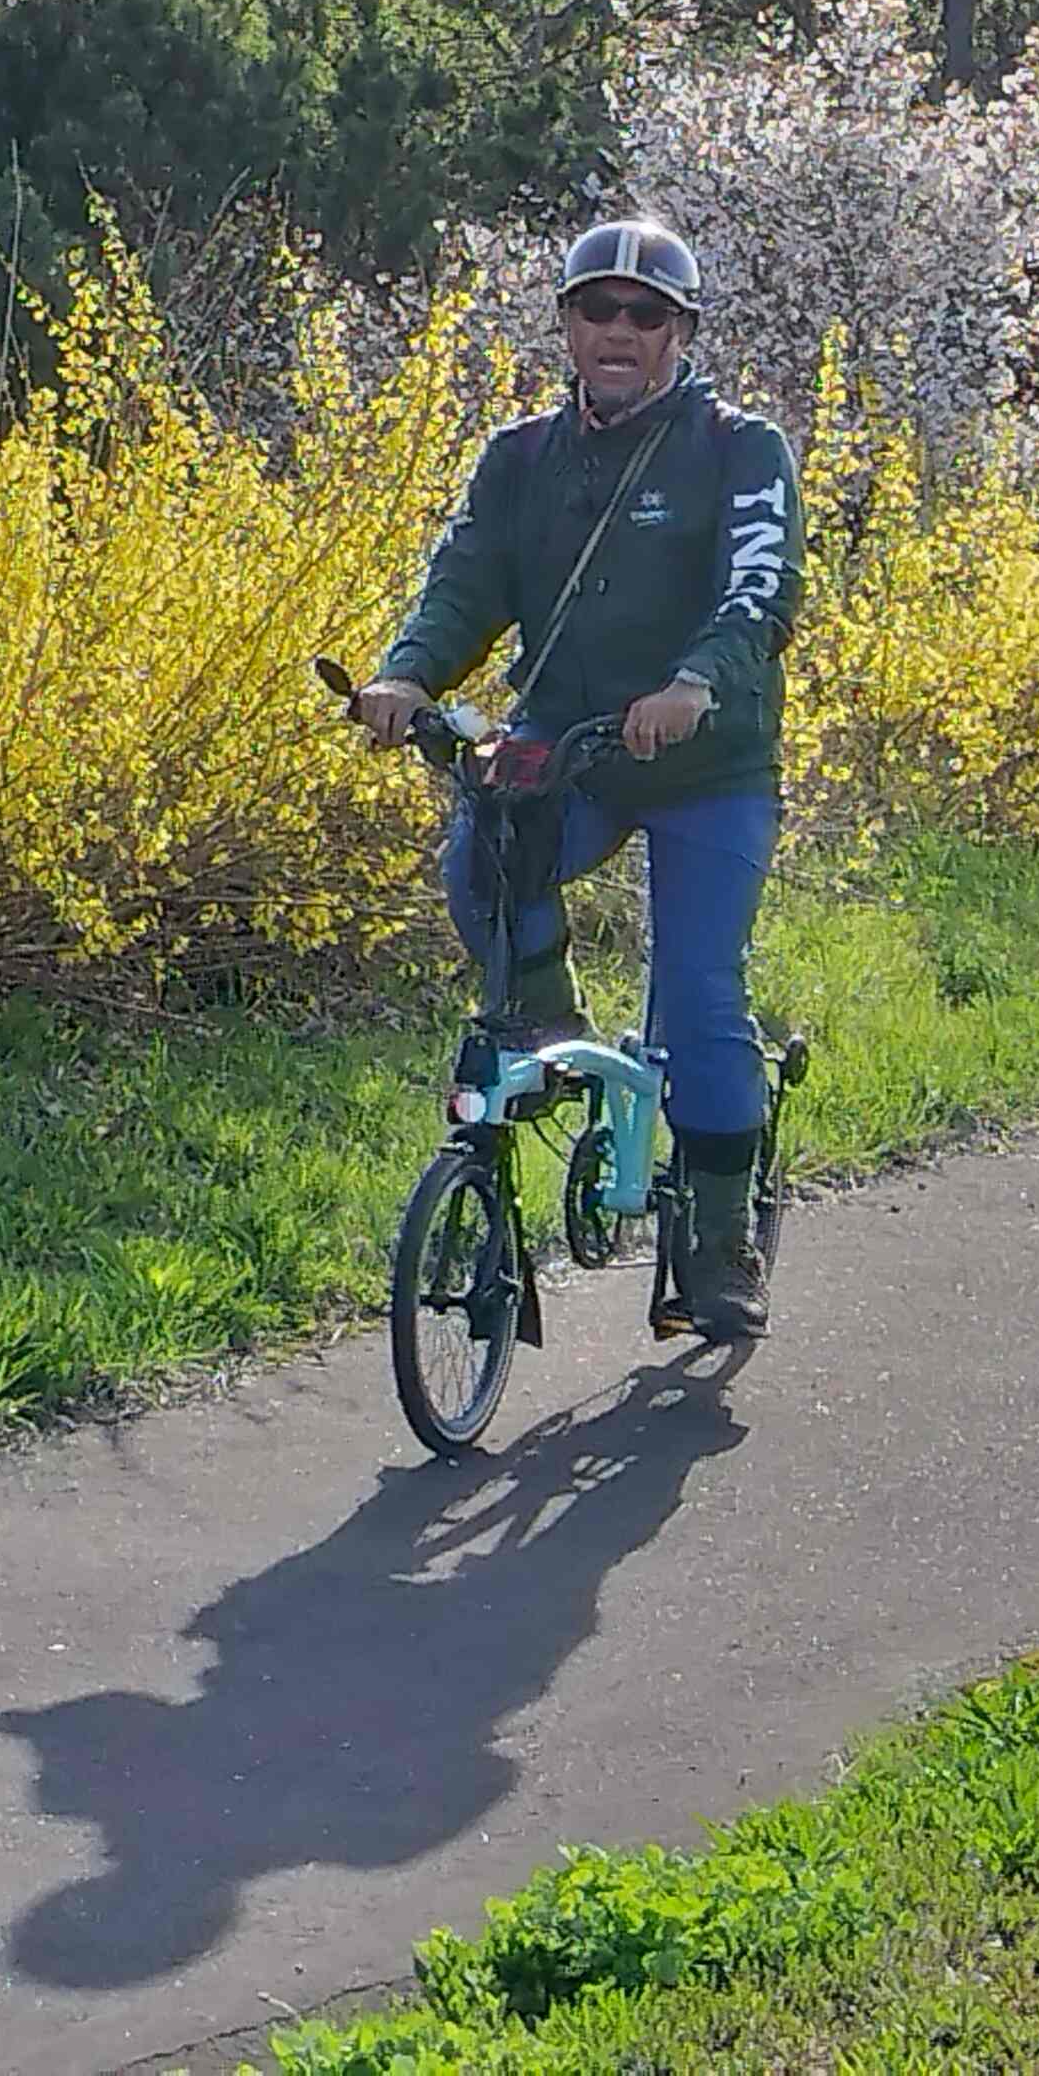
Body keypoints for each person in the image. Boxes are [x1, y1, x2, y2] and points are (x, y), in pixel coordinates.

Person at [346, 220, 804, 1341]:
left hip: (706, 765)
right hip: (573, 749)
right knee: (483, 865)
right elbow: (463, 583)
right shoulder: (518, 458)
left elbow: (759, 592)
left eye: (646, 317)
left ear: (681, 335)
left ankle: (714, 1238)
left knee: (697, 997)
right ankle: (548, 1026)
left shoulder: (739, 450)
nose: (618, 332)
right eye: (597, 310)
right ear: (564, 324)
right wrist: (405, 676)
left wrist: (695, 682)